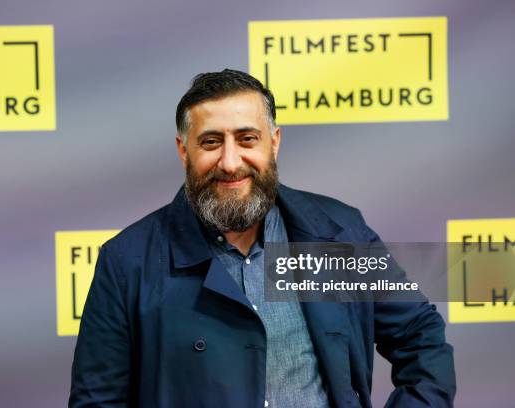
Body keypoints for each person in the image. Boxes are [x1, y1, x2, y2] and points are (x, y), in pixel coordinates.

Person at [69, 69, 456, 407]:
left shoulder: (333, 232)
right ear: (183, 151)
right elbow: (97, 401)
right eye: (211, 142)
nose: (231, 161)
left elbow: (421, 337)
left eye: (247, 138)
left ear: (274, 142)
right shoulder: (127, 263)